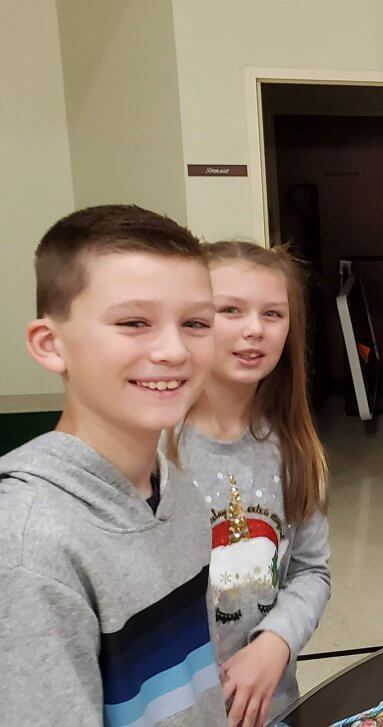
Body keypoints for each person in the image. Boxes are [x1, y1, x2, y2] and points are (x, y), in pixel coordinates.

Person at [0, 205, 227, 725]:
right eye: (133, 322)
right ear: (50, 344)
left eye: (195, 323)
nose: (172, 350)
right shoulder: (27, 547)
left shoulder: (178, 491)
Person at [169, 242, 331, 726]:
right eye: (230, 310)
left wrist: (275, 643)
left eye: (272, 313)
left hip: (271, 708)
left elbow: (311, 572)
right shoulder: (157, 449)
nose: (254, 329)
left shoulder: (298, 449)